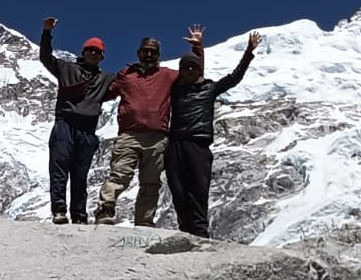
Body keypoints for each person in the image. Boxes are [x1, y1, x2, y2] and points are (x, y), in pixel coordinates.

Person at [94, 26, 204, 226]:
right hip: (129, 135)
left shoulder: (167, 76)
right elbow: (102, 93)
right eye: (146, 51)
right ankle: (104, 211)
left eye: (153, 52)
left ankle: (144, 222)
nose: (149, 54)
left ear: (158, 55)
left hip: (157, 137)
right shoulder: (126, 75)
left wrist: (197, 48)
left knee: (151, 182)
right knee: (120, 173)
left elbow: (193, 74)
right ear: (139, 53)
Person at [166, 30, 261, 238]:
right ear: (180, 70)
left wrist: (248, 52)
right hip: (174, 145)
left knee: (198, 191)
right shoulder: (174, 91)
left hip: (198, 145)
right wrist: (197, 49)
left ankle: (200, 233)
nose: (190, 69)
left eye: (193, 66)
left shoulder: (209, 88)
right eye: (186, 67)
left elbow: (234, 78)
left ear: (198, 70)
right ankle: (185, 232)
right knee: (178, 192)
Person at [38, 17, 116, 224]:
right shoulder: (66, 68)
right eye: (90, 49)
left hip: (88, 130)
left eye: (97, 51)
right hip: (65, 124)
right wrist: (47, 33)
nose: (93, 53)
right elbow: (46, 58)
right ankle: (59, 210)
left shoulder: (107, 78)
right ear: (83, 53)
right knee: (59, 168)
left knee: (81, 175)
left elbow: (126, 86)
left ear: (102, 56)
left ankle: (80, 215)